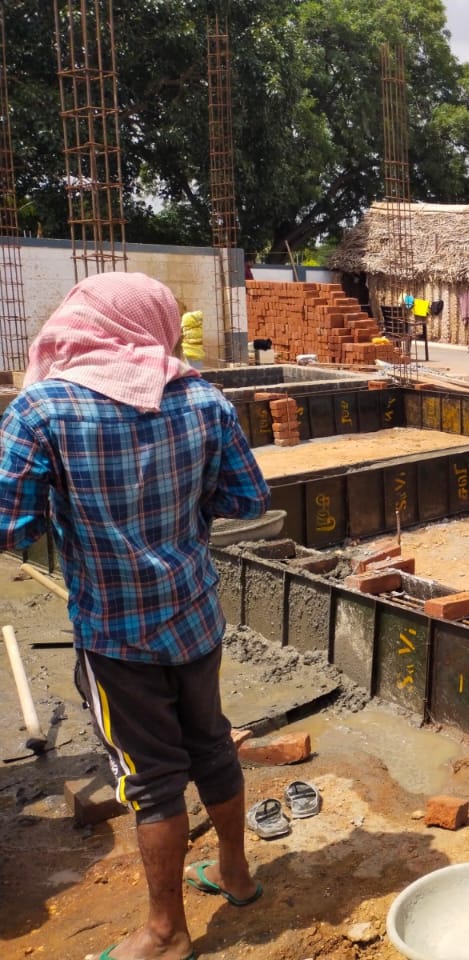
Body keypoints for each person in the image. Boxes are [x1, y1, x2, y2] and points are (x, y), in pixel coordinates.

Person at [0, 272, 271, 960]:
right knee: (211, 745)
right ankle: (236, 874)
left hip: (116, 638)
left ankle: (165, 932)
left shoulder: (41, 411)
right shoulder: (205, 400)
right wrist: (183, 512)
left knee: (151, 781)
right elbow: (247, 499)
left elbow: (10, 526)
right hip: (195, 619)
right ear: (155, 324)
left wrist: (72, 512)